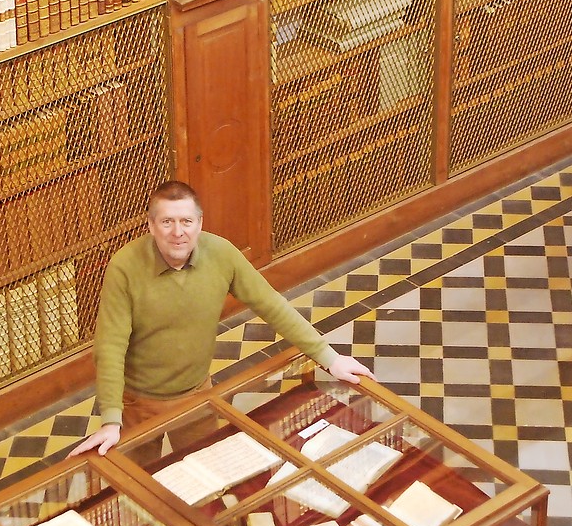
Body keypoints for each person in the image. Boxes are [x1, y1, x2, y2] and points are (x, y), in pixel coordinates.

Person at [68, 181, 375, 457]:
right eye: (167, 222)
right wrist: (111, 418)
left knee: (203, 477)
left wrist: (328, 357)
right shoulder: (124, 267)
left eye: (186, 221)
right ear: (151, 226)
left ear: (200, 224)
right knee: (138, 492)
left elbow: (272, 306)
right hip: (137, 404)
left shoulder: (222, 254)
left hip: (197, 395)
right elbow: (109, 347)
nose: (178, 232)